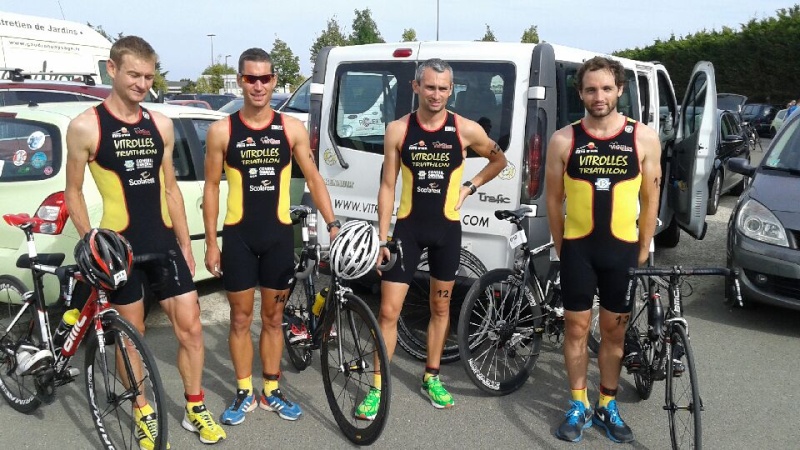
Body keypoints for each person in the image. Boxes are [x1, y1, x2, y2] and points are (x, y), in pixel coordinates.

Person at [64, 36, 227, 447]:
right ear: (112, 70)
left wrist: (185, 244)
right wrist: (92, 242)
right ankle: (142, 410)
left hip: (163, 242)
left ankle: (195, 407)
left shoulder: (161, 124)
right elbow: (74, 192)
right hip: (119, 247)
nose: (141, 83)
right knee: (130, 333)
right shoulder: (86, 126)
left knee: (190, 326)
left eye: (148, 76)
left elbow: (170, 187)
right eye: (133, 74)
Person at [355, 58, 507, 418]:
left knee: (441, 308)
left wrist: (471, 185)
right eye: (429, 86)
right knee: (389, 311)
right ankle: (377, 387)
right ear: (416, 87)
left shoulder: (465, 130)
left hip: (446, 232)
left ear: (450, 90)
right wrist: (382, 237)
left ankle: (432, 376)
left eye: (442, 88)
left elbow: (498, 160)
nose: (436, 94)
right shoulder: (398, 130)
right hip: (408, 231)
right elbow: (388, 185)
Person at [202, 47, 339, 426]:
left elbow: (313, 178)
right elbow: (211, 187)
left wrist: (332, 223)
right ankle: (244, 390)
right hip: (239, 238)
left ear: (274, 80)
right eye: (250, 78)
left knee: (275, 317)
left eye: (265, 78)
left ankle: (271, 390)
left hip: (278, 238)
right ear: (241, 80)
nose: (258, 85)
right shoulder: (222, 131)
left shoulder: (290, 128)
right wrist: (212, 243)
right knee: (241, 319)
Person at [545, 56, 661, 443]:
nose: (599, 96)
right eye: (591, 89)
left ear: (620, 90)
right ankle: (578, 403)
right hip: (579, 250)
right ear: (580, 92)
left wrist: (643, 247)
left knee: (614, 333)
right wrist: (563, 247)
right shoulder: (564, 139)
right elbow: (554, 200)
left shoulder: (643, 138)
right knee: (576, 329)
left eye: (606, 88)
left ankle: (607, 404)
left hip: (622, 252)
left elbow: (651, 198)